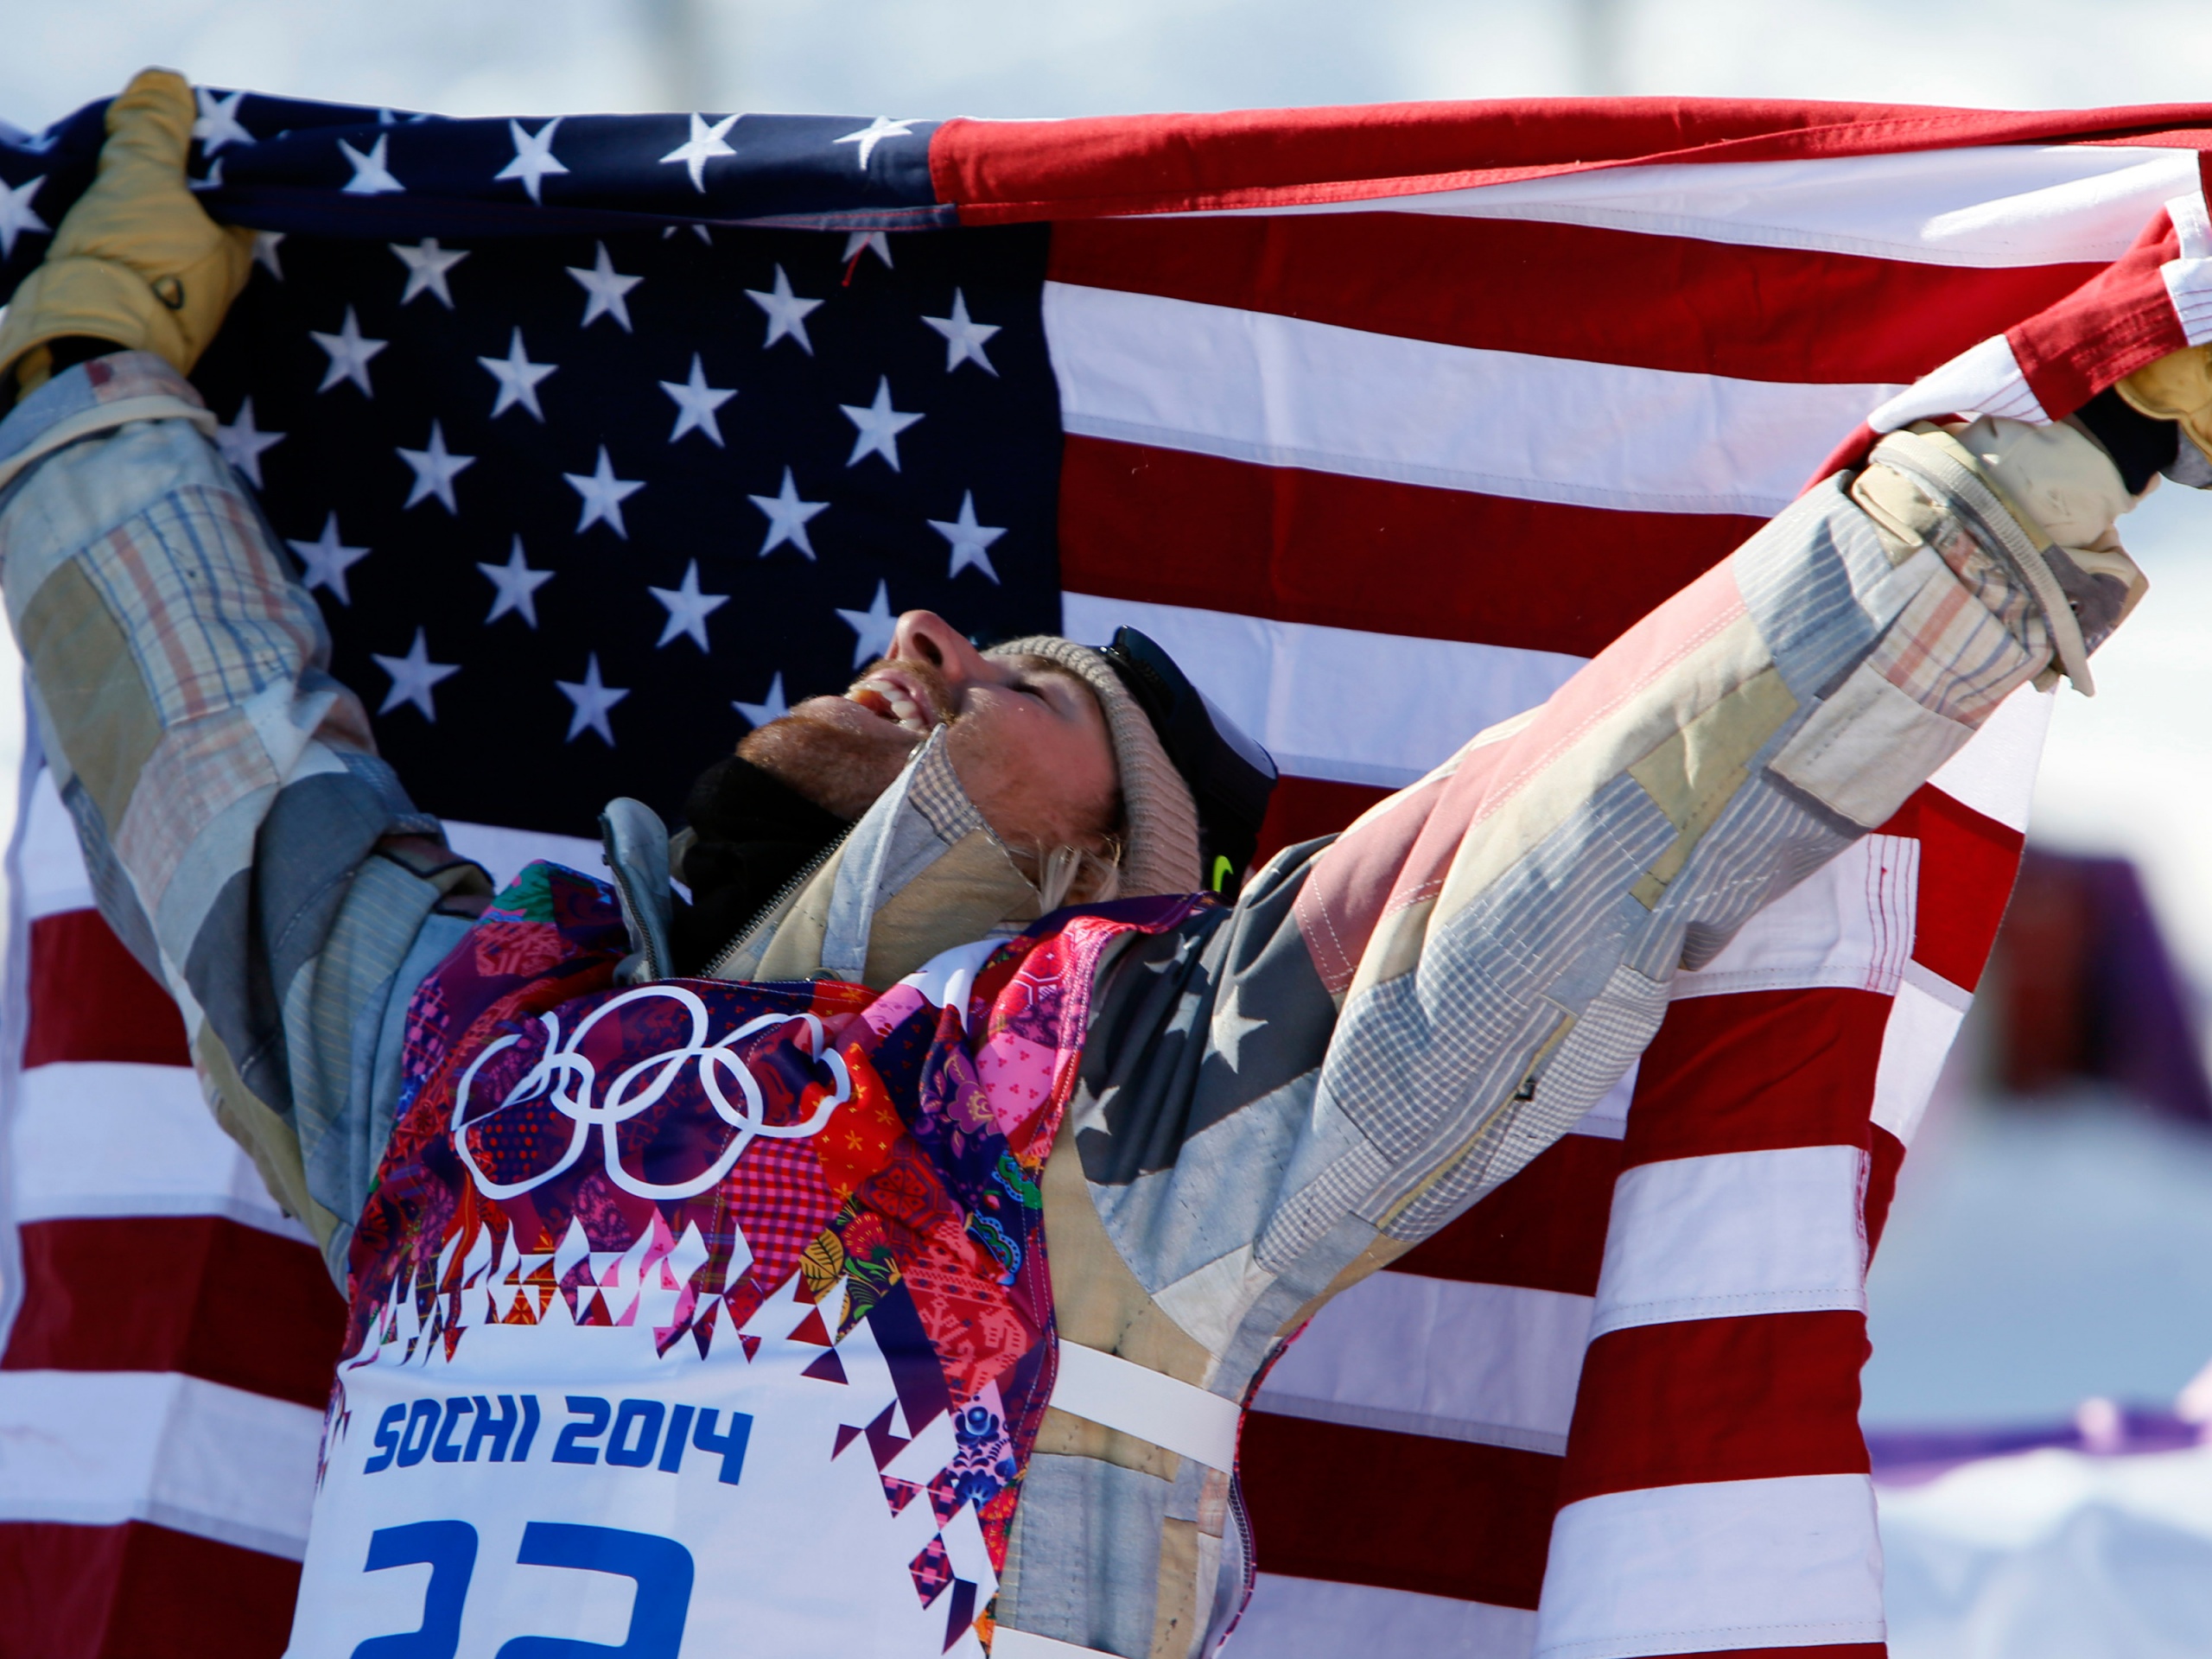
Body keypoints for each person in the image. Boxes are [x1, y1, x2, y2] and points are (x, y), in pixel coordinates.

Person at [1, 70, 2202, 1659]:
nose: (927, 646)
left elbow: (1591, 830)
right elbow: (205, 756)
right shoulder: (458, 1055)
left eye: (1074, 682)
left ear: (1137, 896)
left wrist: (2064, 432)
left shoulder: (1110, 1127)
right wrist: (80, 370)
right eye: (912, 670)